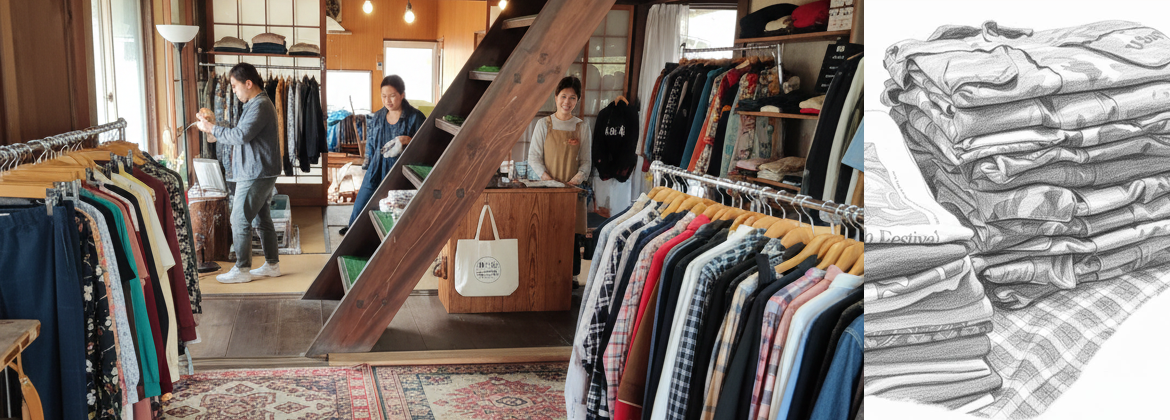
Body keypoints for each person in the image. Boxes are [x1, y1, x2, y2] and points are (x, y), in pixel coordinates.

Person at [195, 63, 283, 284]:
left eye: (235, 86)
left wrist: (211, 129)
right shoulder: (255, 104)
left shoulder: (260, 105)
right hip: (259, 169)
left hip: (256, 171)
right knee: (262, 218)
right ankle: (272, 265)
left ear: (248, 83)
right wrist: (213, 128)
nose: (233, 90)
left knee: (239, 218)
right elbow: (239, 133)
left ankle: (242, 269)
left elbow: (241, 135)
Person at [342, 75, 426, 234]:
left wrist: (409, 140)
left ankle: (379, 238)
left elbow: (426, 146)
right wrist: (367, 167)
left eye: (392, 96)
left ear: (402, 95)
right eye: (384, 96)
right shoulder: (378, 116)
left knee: (387, 208)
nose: (388, 100)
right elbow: (371, 144)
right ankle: (352, 232)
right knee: (361, 203)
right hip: (377, 165)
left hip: (399, 170)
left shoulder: (415, 117)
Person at [528, 76, 592, 280]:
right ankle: (543, 273)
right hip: (547, 188)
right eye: (563, 96)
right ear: (555, 97)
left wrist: (577, 179)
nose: (567, 102)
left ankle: (571, 277)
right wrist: (548, 180)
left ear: (577, 100)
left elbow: (586, 161)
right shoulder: (543, 124)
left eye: (572, 97)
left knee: (571, 234)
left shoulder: (581, 127)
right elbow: (533, 157)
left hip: (572, 189)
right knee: (546, 230)